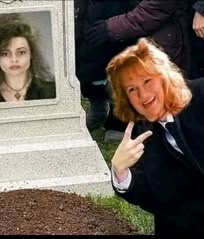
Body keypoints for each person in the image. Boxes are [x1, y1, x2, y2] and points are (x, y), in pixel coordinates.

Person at [107, 37, 204, 236]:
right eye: (132, 89)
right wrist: (121, 171)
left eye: (147, 80)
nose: (143, 95)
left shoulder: (201, 95)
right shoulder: (142, 136)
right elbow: (153, 195)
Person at [75, 0, 191, 142]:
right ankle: (98, 106)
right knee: (87, 63)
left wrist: (113, 27)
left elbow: (151, 10)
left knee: (123, 65)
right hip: (96, 15)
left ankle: (120, 120)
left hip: (130, 20)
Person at [0, 13, 56, 103]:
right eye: (5, 53)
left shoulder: (53, 92)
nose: (14, 59)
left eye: (21, 52)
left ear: (31, 54)